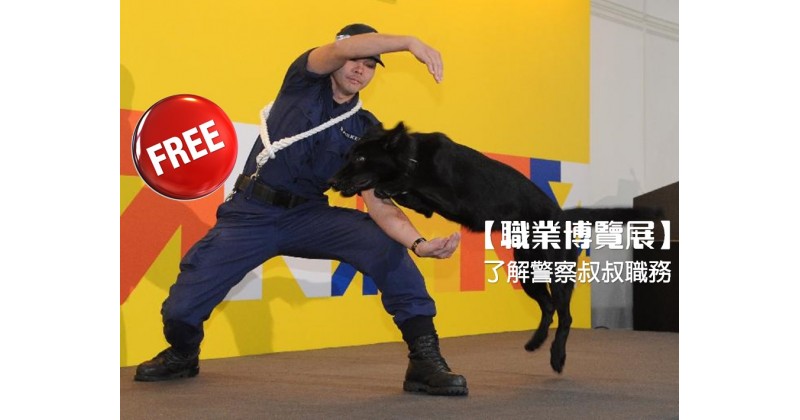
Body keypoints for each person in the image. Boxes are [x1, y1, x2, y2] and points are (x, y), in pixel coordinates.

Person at [134, 23, 468, 396]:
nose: (360, 69)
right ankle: (183, 354)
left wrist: (419, 244)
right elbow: (339, 51)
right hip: (252, 213)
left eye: (371, 65)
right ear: (340, 55)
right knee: (180, 310)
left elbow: (378, 202)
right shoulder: (304, 81)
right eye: (356, 59)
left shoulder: (367, 130)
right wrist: (409, 42)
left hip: (308, 216)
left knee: (381, 244)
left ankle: (424, 360)